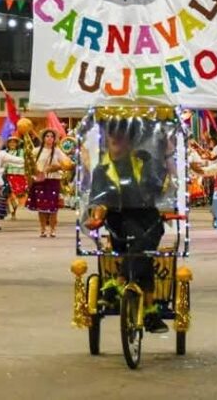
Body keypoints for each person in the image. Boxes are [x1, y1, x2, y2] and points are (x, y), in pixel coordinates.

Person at [83, 118, 170, 333]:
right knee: (143, 250)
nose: (120, 145)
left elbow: (159, 187)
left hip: (148, 215)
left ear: (132, 141)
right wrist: (95, 215)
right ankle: (149, 310)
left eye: (125, 140)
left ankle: (118, 281)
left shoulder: (145, 160)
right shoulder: (101, 170)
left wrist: (164, 168)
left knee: (147, 240)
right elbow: (97, 199)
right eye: (115, 141)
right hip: (118, 219)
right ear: (108, 142)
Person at [26, 129, 71, 238]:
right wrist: (33, 176)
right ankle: (42, 229)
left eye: (51, 136)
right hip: (40, 181)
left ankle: (53, 229)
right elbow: (30, 165)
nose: (49, 138)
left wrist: (57, 167)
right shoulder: (36, 151)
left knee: (53, 208)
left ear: (54, 139)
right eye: (47, 136)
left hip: (53, 181)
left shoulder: (57, 151)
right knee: (41, 207)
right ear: (43, 138)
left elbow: (67, 164)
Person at [3, 136, 28, 218]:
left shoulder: (21, 151)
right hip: (8, 174)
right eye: (10, 142)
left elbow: (23, 161)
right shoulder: (5, 152)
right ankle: (10, 211)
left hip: (19, 175)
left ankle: (14, 212)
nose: (12, 144)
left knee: (17, 194)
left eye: (14, 142)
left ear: (17, 144)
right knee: (10, 194)